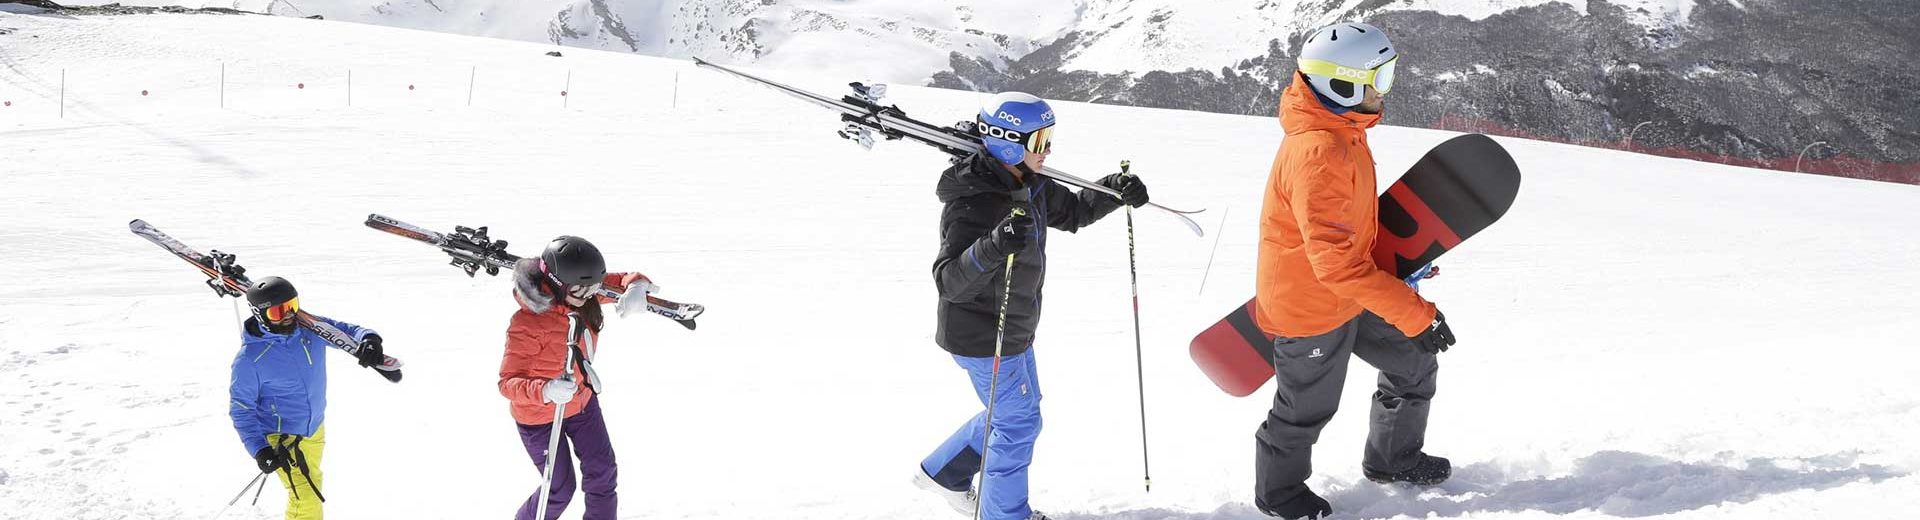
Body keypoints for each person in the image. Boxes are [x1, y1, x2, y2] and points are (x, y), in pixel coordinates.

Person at [1251, 21, 1459, 519]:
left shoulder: (1342, 129)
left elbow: (1345, 236)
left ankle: (1392, 459)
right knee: (1305, 410)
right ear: (1341, 84)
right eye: (1378, 79)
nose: (1385, 90)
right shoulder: (1321, 151)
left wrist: (1396, 273)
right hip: (1312, 309)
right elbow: (1335, 265)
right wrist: (1414, 311)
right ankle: (1279, 496)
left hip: (1348, 293)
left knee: (1413, 362)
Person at [912, 92, 1152, 520]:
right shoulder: (975, 201)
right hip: (983, 333)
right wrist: (993, 245)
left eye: (1049, 138)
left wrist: (1112, 192)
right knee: (1017, 423)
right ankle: (1004, 515)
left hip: (1016, 326)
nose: (1048, 150)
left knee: (1016, 415)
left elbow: (1075, 212)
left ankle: (946, 472)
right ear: (1006, 142)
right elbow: (949, 282)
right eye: (1039, 141)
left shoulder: (1028, 182)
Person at [499, 235, 655, 520]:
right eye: (582, 290)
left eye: (594, 288)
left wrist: (636, 286)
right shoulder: (527, 324)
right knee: (559, 489)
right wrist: (545, 390)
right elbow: (507, 383)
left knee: (603, 473)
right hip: (540, 416)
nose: (591, 295)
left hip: (582, 403)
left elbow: (621, 280)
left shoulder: (581, 292)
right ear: (559, 285)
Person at [227, 276, 387, 520]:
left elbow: (346, 331)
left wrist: (369, 339)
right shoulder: (250, 360)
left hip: (314, 430)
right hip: (282, 440)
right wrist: (260, 450)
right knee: (308, 500)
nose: (289, 316)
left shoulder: (310, 329)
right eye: (278, 312)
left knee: (306, 493)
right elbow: (241, 410)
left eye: (292, 306)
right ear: (260, 315)